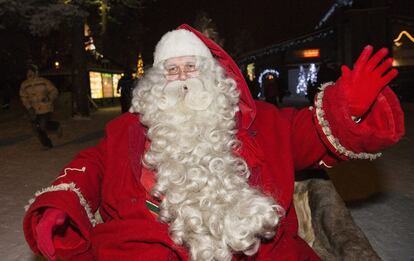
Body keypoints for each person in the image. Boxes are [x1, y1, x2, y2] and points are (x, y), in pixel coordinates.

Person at [23, 24, 404, 261]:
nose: (183, 78)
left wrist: (345, 108)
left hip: (251, 248)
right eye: (172, 70)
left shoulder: (263, 122)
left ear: (215, 76)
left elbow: (310, 132)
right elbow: (93, 164)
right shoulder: (126, 129)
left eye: (192, 67)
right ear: (157, 81)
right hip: (148, 246)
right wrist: (60, 205)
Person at [20, 65, 60, 149]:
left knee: (43, 126)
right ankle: (47, 144)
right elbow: (23, 97)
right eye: (28, 72)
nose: (29, 74)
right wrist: (29, 107)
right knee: (37, 128)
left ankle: (56, 126)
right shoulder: (24, 85)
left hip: (45, 107)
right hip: (34, 109)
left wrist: (49, 98)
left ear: (35, 72)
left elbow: (54, 91)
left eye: (31, 72)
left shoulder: (43, 81)